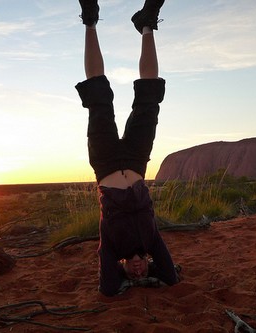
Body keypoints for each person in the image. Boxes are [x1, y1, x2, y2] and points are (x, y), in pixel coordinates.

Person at [75, 0, 180, 296]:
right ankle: (147, 23)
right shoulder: (151, 242)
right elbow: (171, 277)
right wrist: (156, 272)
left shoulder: (111, 247)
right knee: (149, 100)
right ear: (149, 264)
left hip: (105, 162)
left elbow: (107, 288)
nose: (137, 270)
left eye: (132, 273)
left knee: (98, 96)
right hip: (136, 161)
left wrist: (120, 272)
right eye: (142, 271)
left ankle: (90, 19)